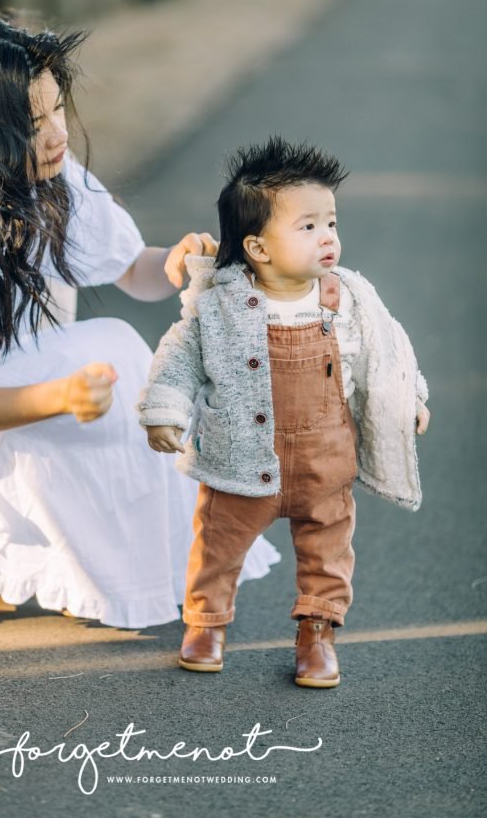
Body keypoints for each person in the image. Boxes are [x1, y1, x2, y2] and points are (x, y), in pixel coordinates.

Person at [0, 16, 279, 632]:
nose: (58, 133)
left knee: (120, 361)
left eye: (58, 108)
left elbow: (130, 270)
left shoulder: (51, 182)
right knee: (105, 355)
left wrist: (169, 264)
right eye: (32, 124)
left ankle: (148, 567)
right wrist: (56, 398)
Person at [139, 138, 430, 686]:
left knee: (327, 551)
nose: (328, 238)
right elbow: (180, 356)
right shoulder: (221, 302)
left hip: (325, 460)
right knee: (219, 545)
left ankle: (317, 632)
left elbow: (386, 351)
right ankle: (207, 624)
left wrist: (407, 398)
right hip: (239, 460)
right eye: (308, 227)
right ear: (258, 247)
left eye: (331, 223)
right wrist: (165, 410)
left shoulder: (347, 297)